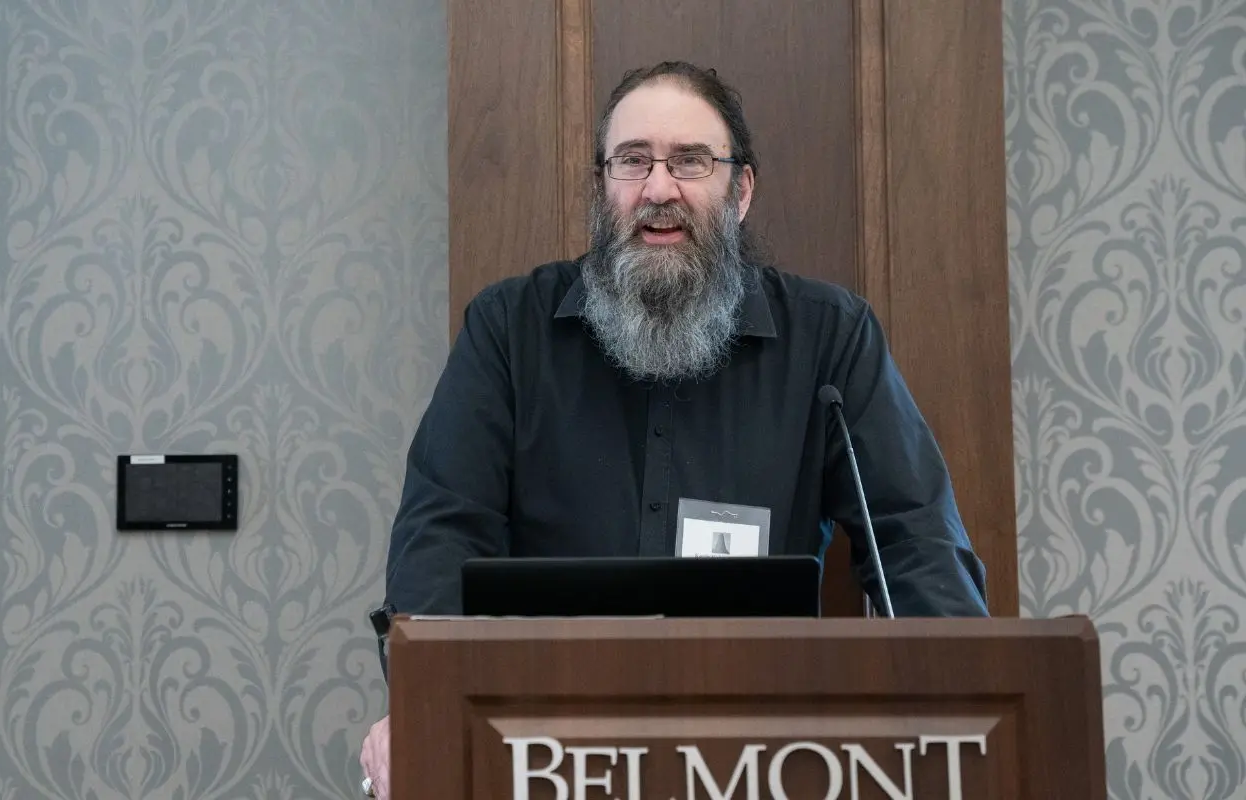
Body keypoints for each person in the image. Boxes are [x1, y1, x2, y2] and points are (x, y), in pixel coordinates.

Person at [357, 60, 988, 798]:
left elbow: (916, 542)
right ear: (603, 189)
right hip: (544, 748)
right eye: (633, 162)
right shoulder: (509, 330)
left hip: (768, 752)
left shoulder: (829, 337)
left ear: (740, 190)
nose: (659, 189)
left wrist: (966, 707)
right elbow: (442, 533)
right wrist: (429, 699)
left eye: (691, 160)